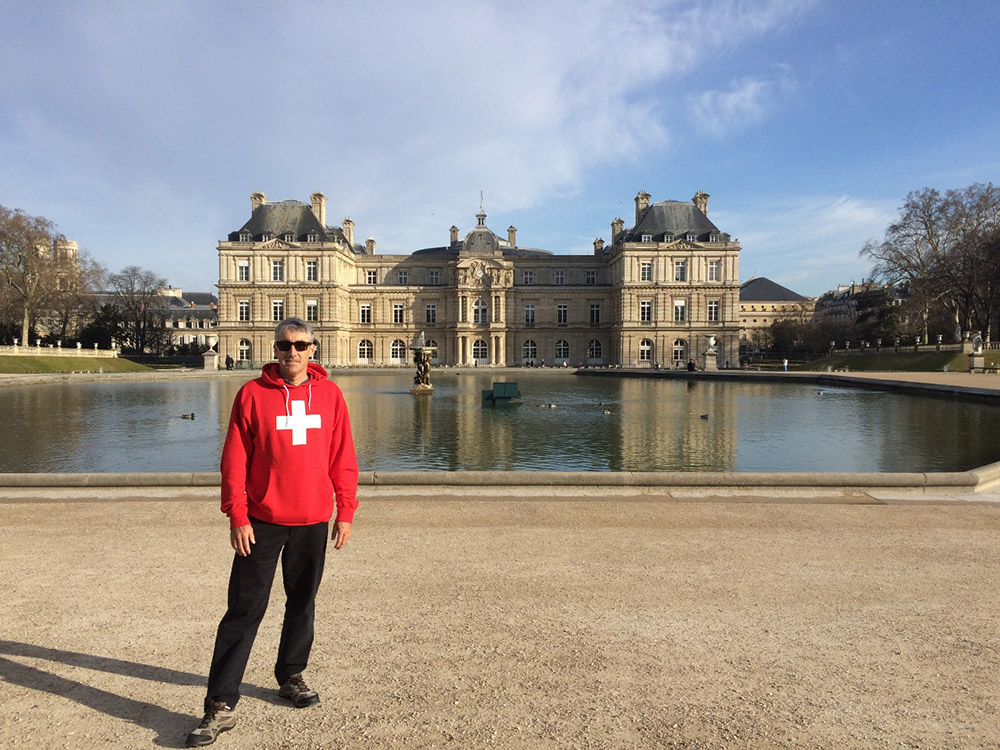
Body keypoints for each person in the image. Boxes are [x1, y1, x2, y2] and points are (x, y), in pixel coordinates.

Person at [187, 318, 359, 747]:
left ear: (313, 349)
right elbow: (234, 460)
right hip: (262, 520)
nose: (293, 353)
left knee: (302, 603)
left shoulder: (330, 395)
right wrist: (237, 514)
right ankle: (221, 702)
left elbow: (343, 457)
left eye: (300, 345)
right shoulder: (252, 394)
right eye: (285, 346)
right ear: (275, 350)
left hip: (313, 518)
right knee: (244, 611)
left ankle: (290, 674)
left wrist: (346, 510)